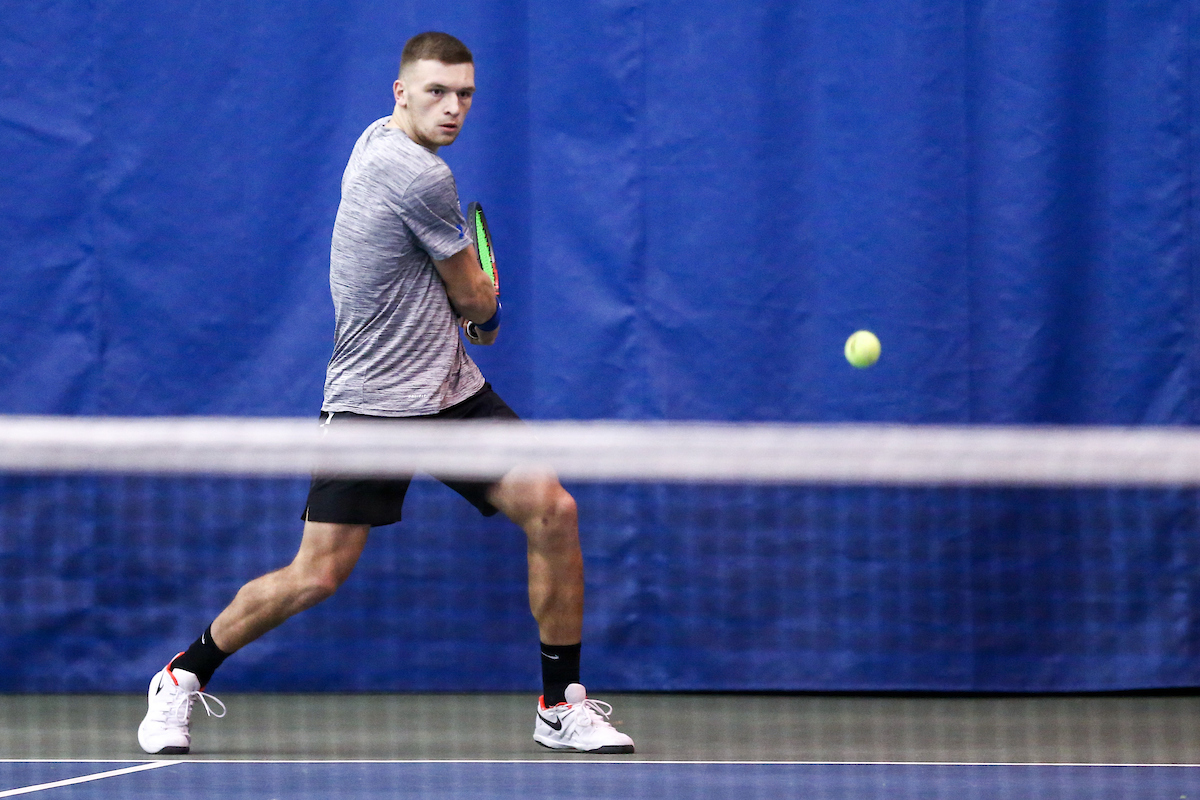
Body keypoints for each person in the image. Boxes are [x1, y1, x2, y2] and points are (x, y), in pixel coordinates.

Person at [137, 31, 634, 756]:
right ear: (399, 93)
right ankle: (181, 677)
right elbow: (469, 291)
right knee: (317, 574)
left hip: (449, 392)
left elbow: (436, 284)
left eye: (465, 94)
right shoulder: (416, 174)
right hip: (373, 401)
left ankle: (560, 705)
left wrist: (466, 314)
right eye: (436, 91)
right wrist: (486, 314)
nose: (453, 107)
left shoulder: (377, 140)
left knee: (553, 510)